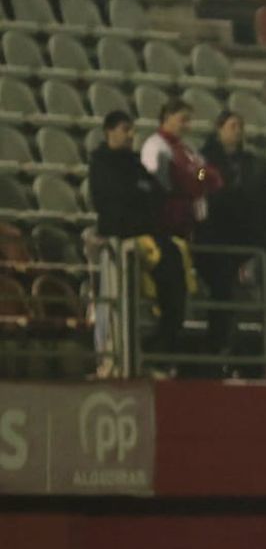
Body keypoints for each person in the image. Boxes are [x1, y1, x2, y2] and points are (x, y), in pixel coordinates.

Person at [88, 110, 188, 362]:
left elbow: (179, 183)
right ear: (109, 131)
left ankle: (168, 338)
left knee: (175, 261)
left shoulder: (146, 159)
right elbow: (116, 198)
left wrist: (200, 175)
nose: (131, 135)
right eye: (125, 129)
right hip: (122, 236)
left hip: (150, 232)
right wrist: (141, 194)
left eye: (132, 130)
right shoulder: (105, 160)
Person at [197, 111, 265, 360]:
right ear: (219, 128)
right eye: (233, 125)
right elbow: (198, 179)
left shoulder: (248, 162)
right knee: (221, 287)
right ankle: (217, 342)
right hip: (212, 232)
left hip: (240, 233)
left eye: (241, 126)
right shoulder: (204, 159)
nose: (238, 130)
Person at [141, 97, 219, 244]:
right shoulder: (155, 146)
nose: (187, 126)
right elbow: (163, 184)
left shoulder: (187, 148)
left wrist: (198, 178)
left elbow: (204, 172)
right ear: (167, 117)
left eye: (189, 121)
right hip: (167, 220)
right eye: (183, 120)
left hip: (189, 220)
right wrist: (195, 178)